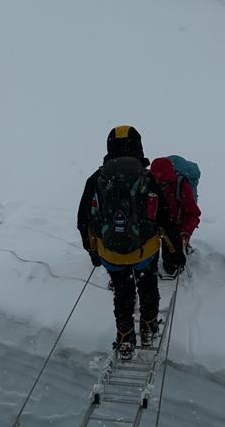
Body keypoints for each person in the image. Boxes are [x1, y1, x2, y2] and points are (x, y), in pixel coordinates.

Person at [77, 126, 185, 358]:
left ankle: (125, 337)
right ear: (138, 146)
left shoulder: (96, 179)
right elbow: (164, 220)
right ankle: (148, 328)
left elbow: (83, 220)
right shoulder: (147, 178)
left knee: (122, 293)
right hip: (145, 251)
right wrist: (176, 252)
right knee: (148, 288)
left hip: (111, 253)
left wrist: (93, 251)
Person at [150, 156, 201, 276]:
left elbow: (193, 214)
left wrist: (185, 231)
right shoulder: (147, 184)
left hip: (174, 226)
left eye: (164, 183)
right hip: (152, 225)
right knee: (147, 264)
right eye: (158, 183)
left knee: (172, 266)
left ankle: (183, 248)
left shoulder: (181, 186)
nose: (161, 186)